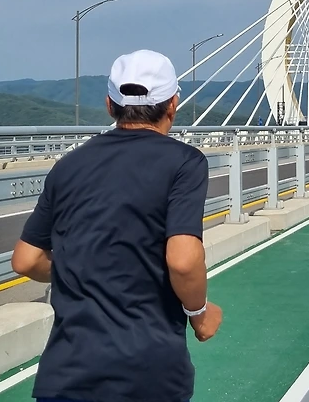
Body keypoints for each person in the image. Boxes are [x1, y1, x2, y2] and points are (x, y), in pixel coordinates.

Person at [12, 49, 222, 402]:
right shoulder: (184, 163)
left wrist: (85, 268)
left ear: (110, 105)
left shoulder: (69, 165)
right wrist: (199, 313)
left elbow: (26, 260)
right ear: (173, 104)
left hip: (66, 374)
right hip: (147, 372)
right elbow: (183, 260)